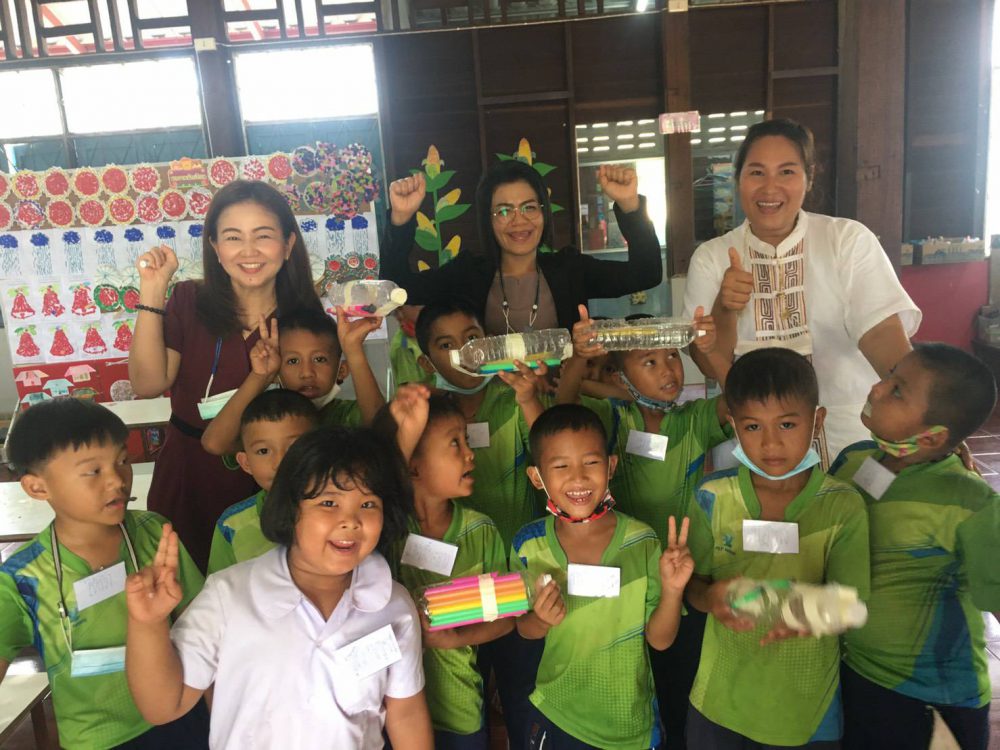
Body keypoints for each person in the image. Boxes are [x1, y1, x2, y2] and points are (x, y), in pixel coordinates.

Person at [125, 426, 434, 750]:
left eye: (368, 504)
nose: (351, 521)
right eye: (329, 502)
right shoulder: (228, 596)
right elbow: (163, 706)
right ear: (291, 508)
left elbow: (406, 713)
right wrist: (148, 624)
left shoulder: (393, 604)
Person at [682, 118, 921, 460]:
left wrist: (923, 414)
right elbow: (708, 363)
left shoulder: (847, 240)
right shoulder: (711, 257)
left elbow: (882, 334)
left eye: (787, 172)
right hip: (758, 449)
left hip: (851, 438)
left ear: (809, 178)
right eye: (756, 172)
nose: (770, 188)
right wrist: (724, 306)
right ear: (738, 179)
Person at [557, 303, 730, 747]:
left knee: (682, 688)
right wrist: (579, 358)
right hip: (628, 577)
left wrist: (709, 351)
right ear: (621, 376)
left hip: (685, 577)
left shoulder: (694, 420)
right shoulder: (614, 419)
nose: (668, 369)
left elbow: (742, 402)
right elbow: (563, 413)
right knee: (635, 680)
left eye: (673, 355)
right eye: (649, 362)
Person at [129, 179, 322, 571]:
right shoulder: (189, 300)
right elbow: (148, 384)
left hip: (276, 476)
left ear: (287, 245)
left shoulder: (304, 318)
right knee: (189, 585)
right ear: (215, 247)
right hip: (190, 473)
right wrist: (152, 290)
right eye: (233, 237)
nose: (249, 251)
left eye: (263, 236)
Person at [684, 348, 870, 748]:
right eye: (752, 426)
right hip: (719, 702)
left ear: (817, 421)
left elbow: (853, 605)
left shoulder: (842, 505)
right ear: (733, 425)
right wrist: (710, 597)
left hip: (804, 711)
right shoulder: (712, 496)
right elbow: (694, 587)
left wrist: (809, 610)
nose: (770, 443)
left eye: (787, 424)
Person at [0, 398, 208, 750]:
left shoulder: (154, 532)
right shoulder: (22, 577)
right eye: (93, 471)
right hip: (97, 737)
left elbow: (200, 622)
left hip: (181, 708)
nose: (117, 480)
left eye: (122, 461)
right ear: (38, 487)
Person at [830, 343, 1000, 750]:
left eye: (897, 391)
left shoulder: (970, 503)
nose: (876, 389)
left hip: (930, 699)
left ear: (934, 436)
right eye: (889, 376)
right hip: (853, 673)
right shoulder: (853, 461)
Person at [510, 404, 694, 749]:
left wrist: (672, 590)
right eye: (561, 466)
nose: (578, 478)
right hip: (558, 712)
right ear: (537, 477)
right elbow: (523, 628)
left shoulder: (642, 541)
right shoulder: (528, 544)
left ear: (610, 466)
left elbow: (660, 640)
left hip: (631, 725)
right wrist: (541, 620)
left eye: (591, 462)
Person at [381, 159, 663, 334]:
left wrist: (629, 205)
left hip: (560, 404)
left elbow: (646, 273)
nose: (519, 221)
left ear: (543, 212)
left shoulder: (570, 269)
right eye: (504, 211)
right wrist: (401, 219)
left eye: (529, 207)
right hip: (492, 409)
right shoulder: (467, 274)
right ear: (488, 219)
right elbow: (396, 289)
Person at [385, 392, 512, 748]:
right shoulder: (387, 529)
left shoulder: (480, 530)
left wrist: (454, 639)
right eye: (455, 443)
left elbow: (505, 620)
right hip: (391, 710)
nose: (470, 454)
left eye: (467, 441)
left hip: (460, 709)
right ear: (413, 466)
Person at [200, 305, 384, 456]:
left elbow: (382, 433)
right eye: (293, 361)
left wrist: (353, 350)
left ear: (341, 370)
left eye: (319, 359)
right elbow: (215, 443)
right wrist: (261, 376)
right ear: (278, 371)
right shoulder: (267, 418)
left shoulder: (346, 416)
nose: (306, 373)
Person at [206, 389, 319, 575]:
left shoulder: (342, 513)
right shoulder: (231, 525)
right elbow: (219, 589)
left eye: (294, 447)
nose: (280, 463)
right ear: (245, 463)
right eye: (263, 451)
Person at [391, 304, 434, 388]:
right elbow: (410, 387)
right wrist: (448, 391)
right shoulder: (403, 346)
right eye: (414, 305)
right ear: (400, 311)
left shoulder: (424, 334)